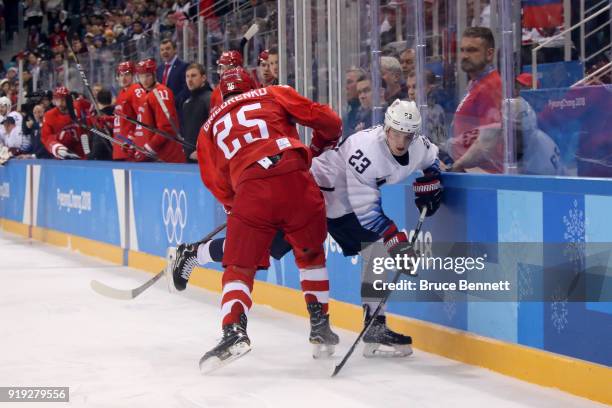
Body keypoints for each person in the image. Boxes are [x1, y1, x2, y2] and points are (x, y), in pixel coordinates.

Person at [167, 99, 443, 358]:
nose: (402, 141)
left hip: (343, 203)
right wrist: (396, 238)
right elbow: (366, 211)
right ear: (386, 127)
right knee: (256, 248)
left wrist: (432, 181)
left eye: (409, 135)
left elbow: (433, 159)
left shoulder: (418, 145)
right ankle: (194, 254)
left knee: (377, 250)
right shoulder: (367, 150)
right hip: (313, 194)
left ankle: (374, 325)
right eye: (397, 133)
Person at [169, 67, 343, 372]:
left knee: (240, 266)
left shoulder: (209, 126)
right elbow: (329, 121)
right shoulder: (273, 92)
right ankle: (320, 326)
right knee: (311, 255)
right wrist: (317, 147)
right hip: (296, 178)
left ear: (222, 93)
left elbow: (216, 182)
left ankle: (234, 331)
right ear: (252, 84)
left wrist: (241, 200)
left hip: (252, 188)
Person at [449, 27, 502, 172]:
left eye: (472, 50)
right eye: (463, 50)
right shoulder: (477, 83)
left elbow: (488, 139)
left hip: (483, 175)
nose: (465, 55)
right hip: (471, 171)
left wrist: (458, 164)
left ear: (489, 54)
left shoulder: (491, 86)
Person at [131, 58, 185, 163]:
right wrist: (136, 144)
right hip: (155, 156)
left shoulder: (160, 93)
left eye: (147, 75)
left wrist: (148, 148)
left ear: (154, 75)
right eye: (141, 76)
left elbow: (166, 128)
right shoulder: (146, 94)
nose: (144, 80)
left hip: (167, 157)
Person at [113, 60, 147, 161]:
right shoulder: (121, 93)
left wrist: (132, 137)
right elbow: (125, 118)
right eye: (121, 75)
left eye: (127, 74)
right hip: (119, 146)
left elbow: (143, 116)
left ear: (134, 75)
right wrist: (109, 120)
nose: (123, 78)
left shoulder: (136, 90)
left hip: (128, 146)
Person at [41, 86, 88, 159]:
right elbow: (45, 137)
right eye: (57, 100)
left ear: (69, 100)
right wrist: (56, 148)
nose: (59, 104)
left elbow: (85, 132)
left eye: (62, 100)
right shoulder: (49, 115)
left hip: (82, 156)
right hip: (63, 157)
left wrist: (87, 152)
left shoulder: (78, 107)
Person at [182, 63, 213, 162]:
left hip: (206, 159)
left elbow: (215, 130)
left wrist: (204, 151)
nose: (190, 80)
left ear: (203, 78)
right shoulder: (186, 103)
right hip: (189, 159)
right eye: (187, 76)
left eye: (193, 76)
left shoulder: (210, 99)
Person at [157, 39, 189, 112]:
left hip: (178, 109)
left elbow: (186, 88)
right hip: (162, 110)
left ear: (175, 50)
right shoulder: (159, 69)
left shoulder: (184, 66)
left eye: (168, 49)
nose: (165, 52)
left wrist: (172, 102)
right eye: (162, 50)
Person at [343, 68, 367, 136]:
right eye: (344, 83)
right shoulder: (348, 114)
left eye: (349, 82)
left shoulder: (370, 112)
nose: (345, 87)